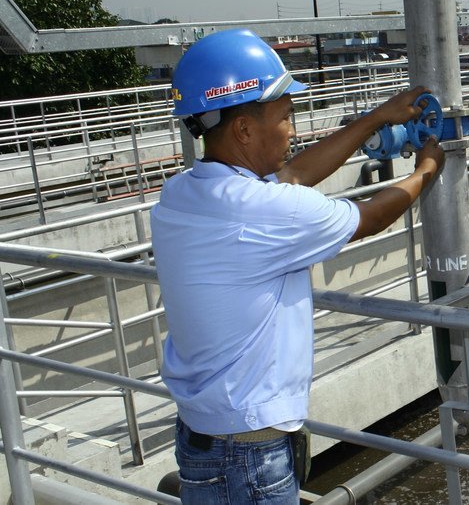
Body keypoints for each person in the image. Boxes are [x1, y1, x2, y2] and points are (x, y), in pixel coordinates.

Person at [151, 28, 444, 503]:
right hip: (247, 454)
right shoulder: (260, 210)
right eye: (286, 117)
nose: (293, 130)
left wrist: (376, 119)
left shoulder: (185, 191)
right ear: (245, 129)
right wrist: (427, 169)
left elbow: (291, 175)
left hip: (207, 438)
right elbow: (369, 217)